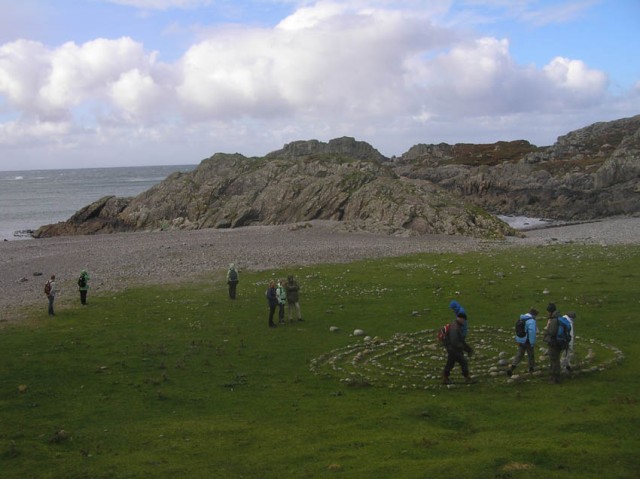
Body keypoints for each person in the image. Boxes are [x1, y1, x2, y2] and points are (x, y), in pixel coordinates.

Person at [442, 313, 475, 385]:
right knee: (463, 362)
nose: (464, 321)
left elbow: (460, 341)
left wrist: (467, 348)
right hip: (454, 349)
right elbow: (456, 341)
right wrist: (464, 348)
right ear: (460, 318)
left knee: (450, 363)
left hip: (452, 349)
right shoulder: (455, 327)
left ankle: (445, 378)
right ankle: (467, 378)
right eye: (463, 320)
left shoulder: (455, 325)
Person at [506, 308, 538, 377]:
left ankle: (512, 367)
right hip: (527, 341)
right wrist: (532, 342)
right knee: (530, 355)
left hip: (520, 339)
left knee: (519, 354)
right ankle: (531, 369)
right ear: (534, 315)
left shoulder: (521, 318)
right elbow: (532, 332)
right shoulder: (531, 320)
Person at [543, 303, 563, 383]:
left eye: (548, 311)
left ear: (550, 311)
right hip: (557, 342)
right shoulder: (558, 317)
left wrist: (547, 328)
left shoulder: (554, 320)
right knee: (555, 359)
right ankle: (555, 376)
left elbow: (552, 332)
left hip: (554, 343)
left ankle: (555, 378)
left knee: (554, 360)